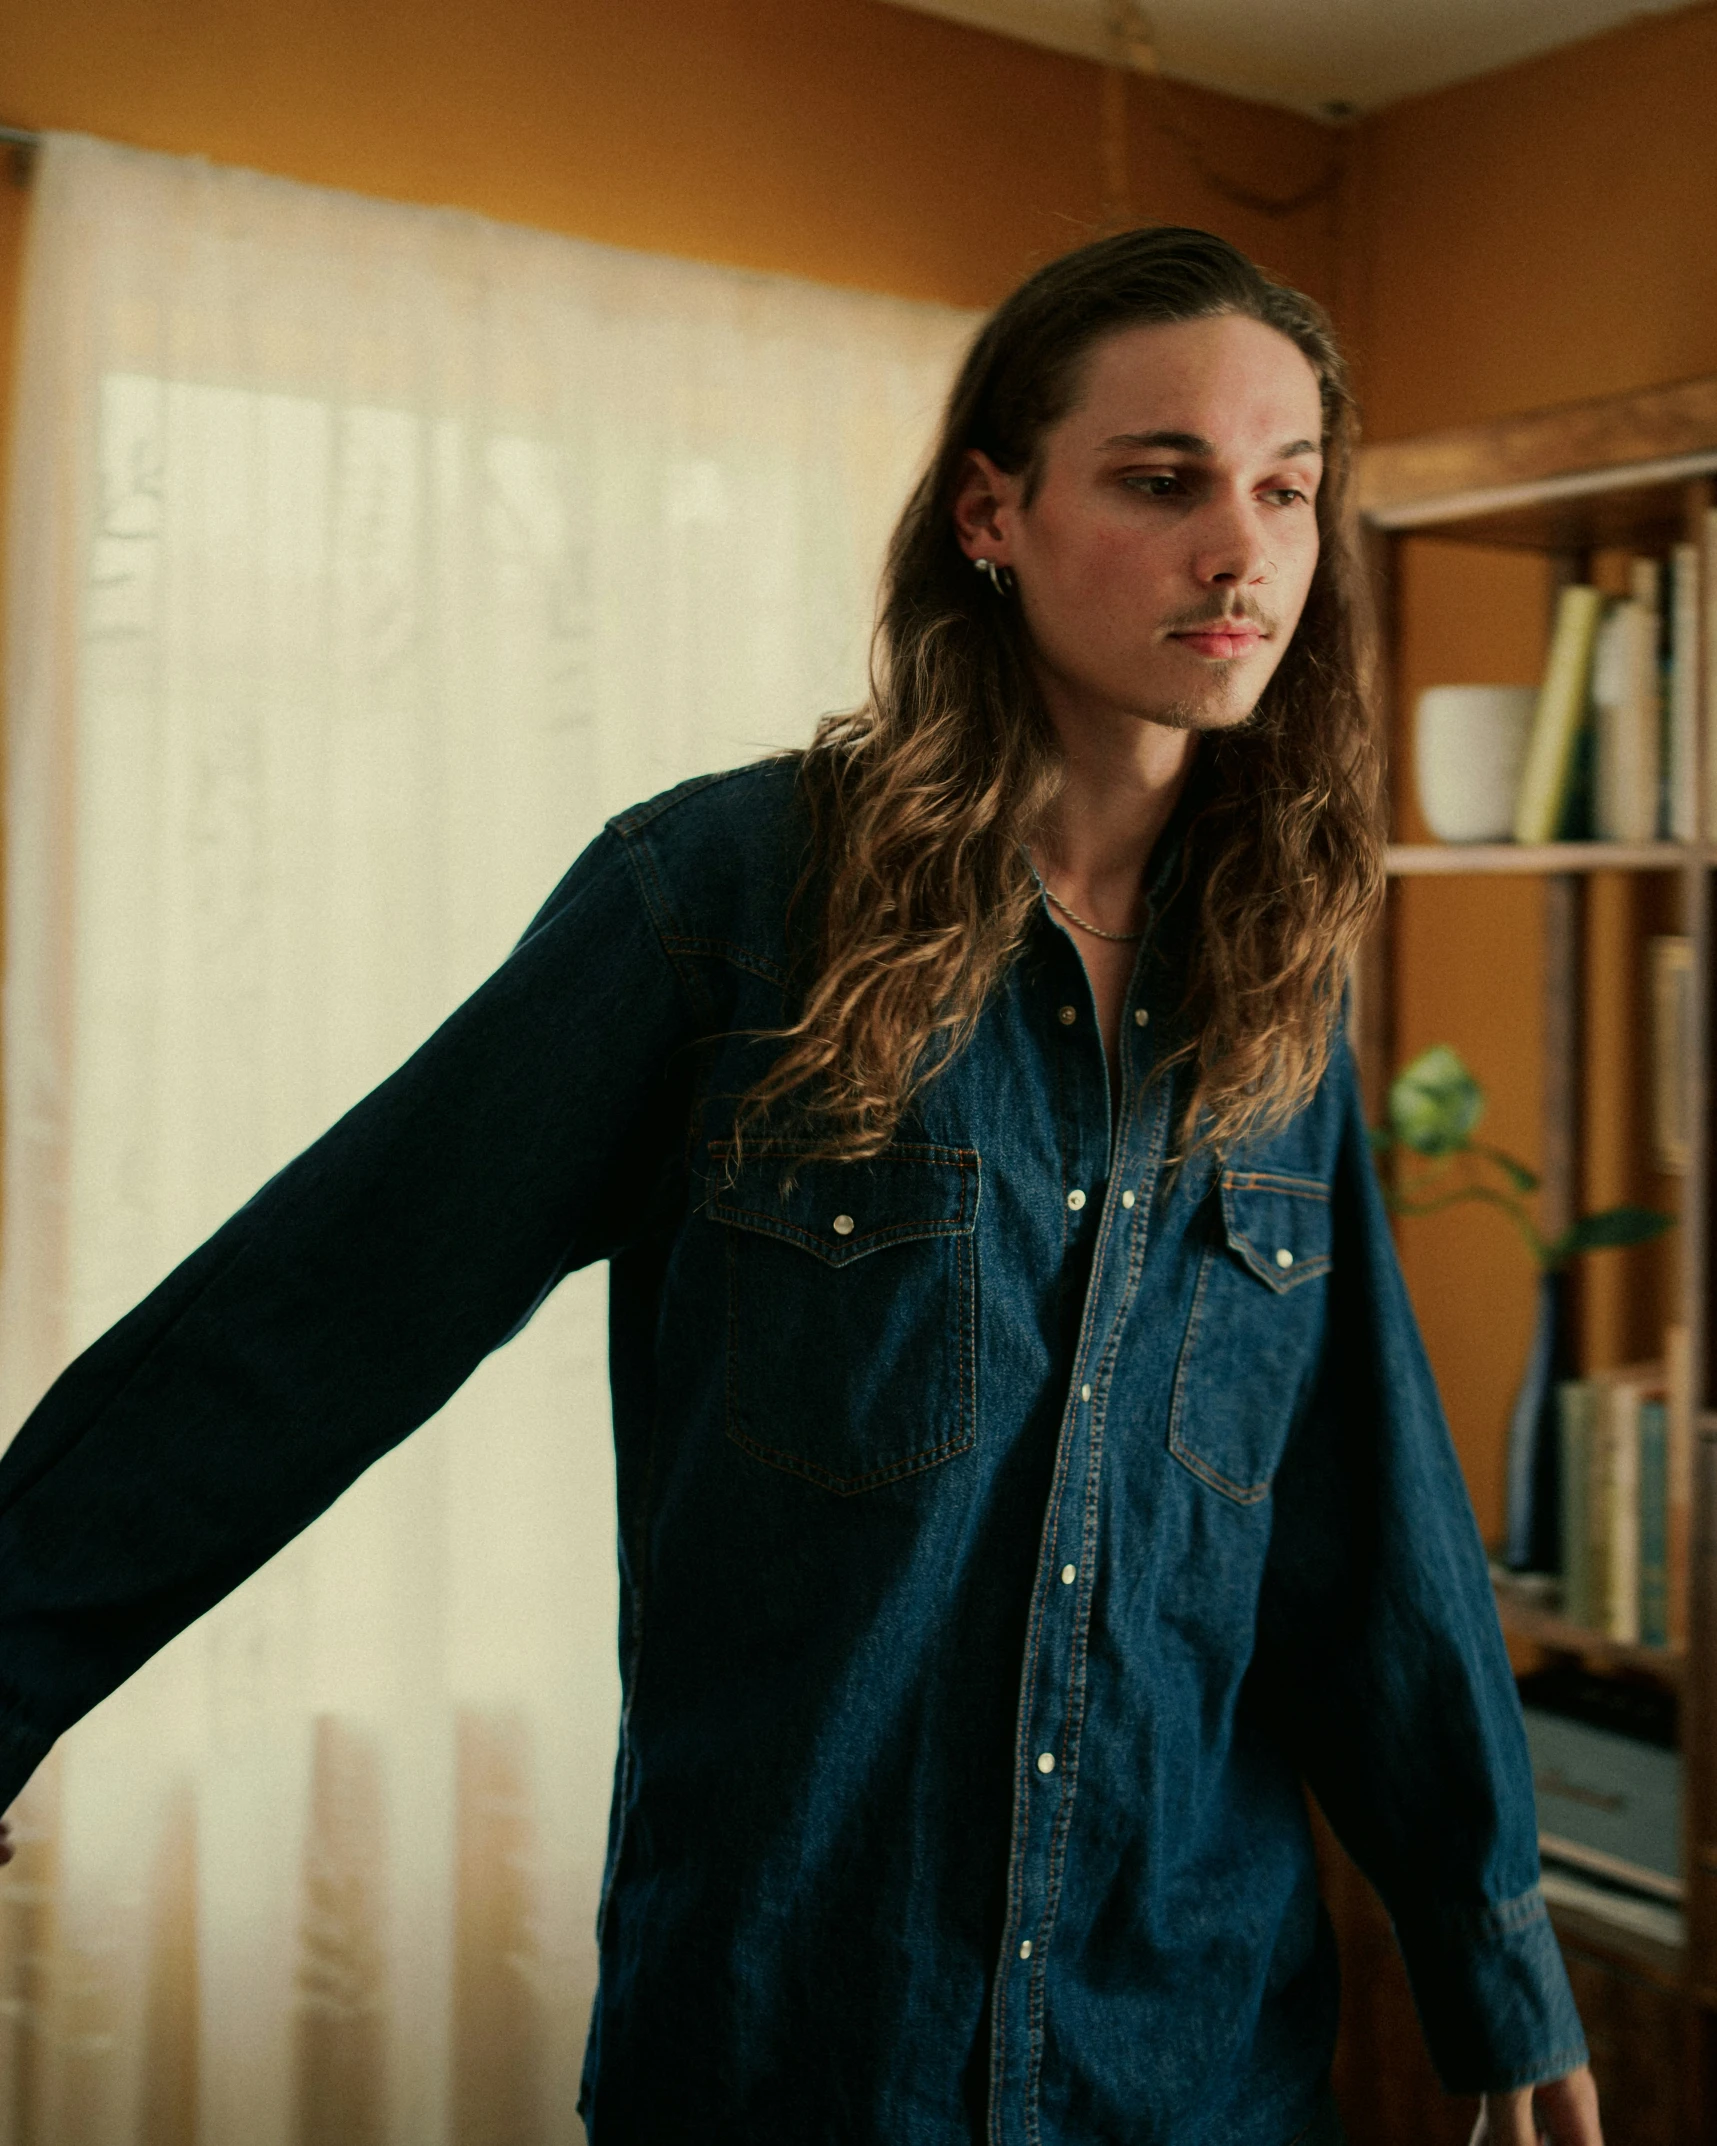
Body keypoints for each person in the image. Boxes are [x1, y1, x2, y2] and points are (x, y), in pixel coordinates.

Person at [0, 225, 1601, 2145]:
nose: (1240, 552)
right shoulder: (722, 902)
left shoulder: (1280, 987)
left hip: (1190, 2065)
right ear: (990, 513)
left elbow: (1367, 1500)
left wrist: (1489, 1952)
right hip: (795, 2056)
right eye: (1163, 480)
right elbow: (328, 1306)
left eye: (1284, 491)